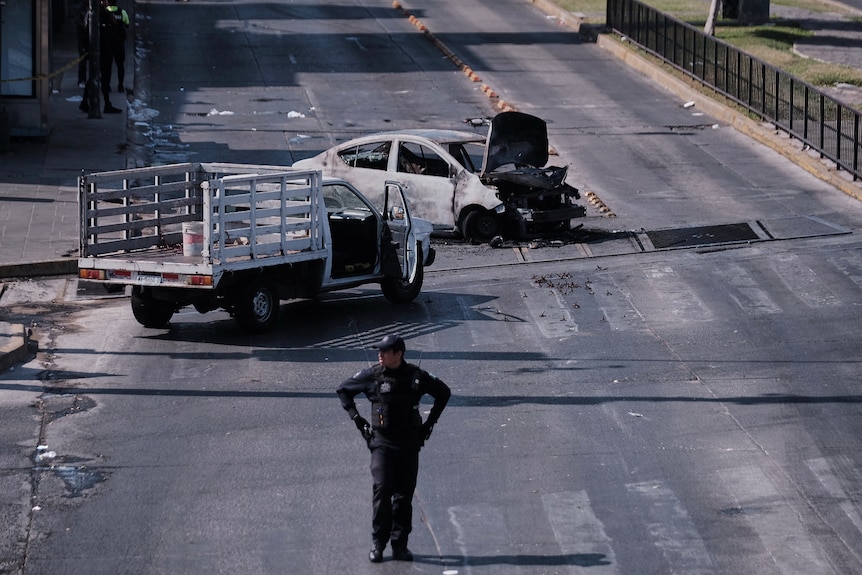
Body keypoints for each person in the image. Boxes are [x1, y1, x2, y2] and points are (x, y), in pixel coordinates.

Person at [336, 334, 451, 563]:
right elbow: (343, 390)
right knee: (382, 489)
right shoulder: (373, 375)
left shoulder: (415, 376)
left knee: (404, 496)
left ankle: (400, 545)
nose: (379, 354)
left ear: (398, 354)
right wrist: (358, 419)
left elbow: (443, 392)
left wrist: (428, 426)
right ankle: (378, 543)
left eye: (384, 351)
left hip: (409, 442)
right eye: (378, 351)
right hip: (382, 442)